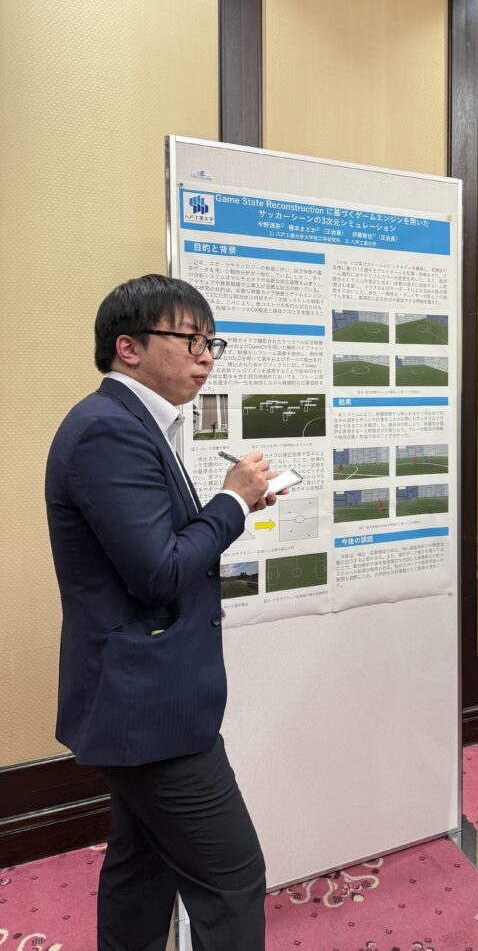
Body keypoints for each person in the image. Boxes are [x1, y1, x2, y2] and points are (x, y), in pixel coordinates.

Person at [46, 274, 279, 951]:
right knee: (233, 878)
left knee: (140, 867)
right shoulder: (107, 430)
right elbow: (158, 571)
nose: (206, 357)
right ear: (129, 347)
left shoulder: (128, 423)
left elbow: (157, 549)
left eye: (212, 343)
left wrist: (230, 505)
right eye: (190, 340)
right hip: (149, 710)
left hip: (141, 699)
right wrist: (231, 503)